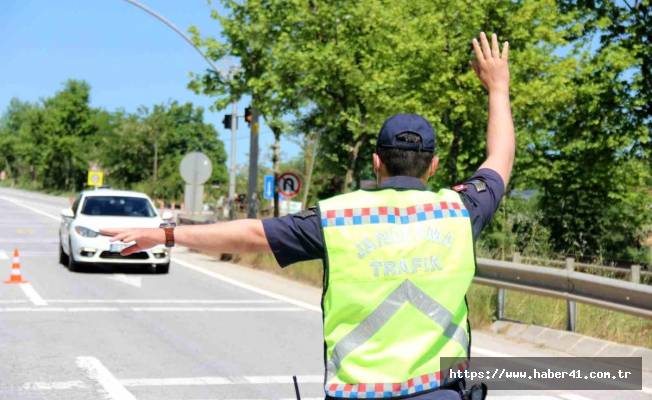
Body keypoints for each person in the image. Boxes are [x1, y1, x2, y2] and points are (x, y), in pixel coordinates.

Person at [102, 32, 514, 400]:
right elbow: (499, 158)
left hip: (357, 394)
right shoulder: (460, 210)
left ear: (376, 162)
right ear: (434, 165)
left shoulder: (337, 217)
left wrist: (166, 235)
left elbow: (250, 235)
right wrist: (497, 88)